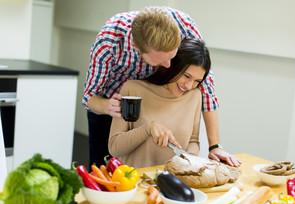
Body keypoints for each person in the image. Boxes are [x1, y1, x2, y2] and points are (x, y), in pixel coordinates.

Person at [82, 6, 241, 168]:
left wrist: (215, 146)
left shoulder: (185, 26)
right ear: (136, 47)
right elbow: (89, 96)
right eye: (160, 61)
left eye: (172, 56)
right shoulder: (109, 40)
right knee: (101, 170)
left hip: (161, 95)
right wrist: (106, 106)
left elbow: (207, 86)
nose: (168, 65)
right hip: (113, 102)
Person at [108, 39, 208, 167]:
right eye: (187, 76)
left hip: (172, 181)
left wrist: (191, 160)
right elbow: (114, 148)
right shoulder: (133, 89)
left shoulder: (194, 95)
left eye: (197, 81)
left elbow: (193, 141)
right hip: (134, 182)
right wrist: (148, 128)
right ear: (172, 66)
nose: (189, 86)